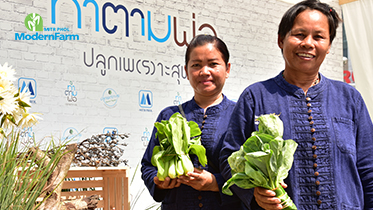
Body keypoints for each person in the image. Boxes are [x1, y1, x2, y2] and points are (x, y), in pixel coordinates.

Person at [220, 0, 373, 209]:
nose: (308, 43)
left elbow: (368, 168)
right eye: (299, 34)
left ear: (328, 46)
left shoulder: (349, 98)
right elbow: (230, 157)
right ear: (281, 40)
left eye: (318, 36)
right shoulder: (255, 97)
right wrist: (253, 192)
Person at [141, 34, 248, 209]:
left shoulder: (240, 115)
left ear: (227, 69)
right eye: (196, 65)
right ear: (186, 71)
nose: (204, 72)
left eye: (213, 64)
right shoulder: (169, 116)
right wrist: (158, 181)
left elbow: (250, 172)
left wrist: (216, 183)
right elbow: (147, 165)